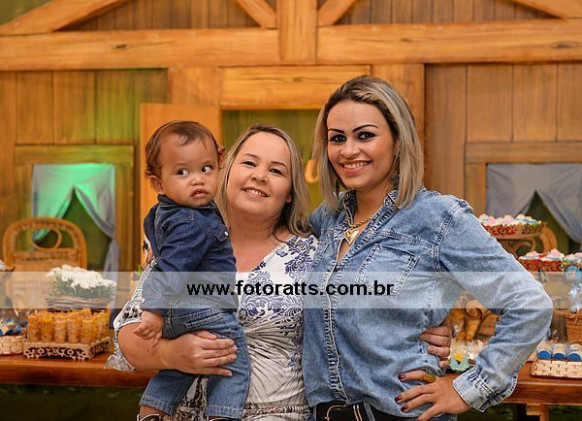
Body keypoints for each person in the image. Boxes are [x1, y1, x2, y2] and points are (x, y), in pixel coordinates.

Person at [110, 123, 452, 421]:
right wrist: (171, 354)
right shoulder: (184, 238)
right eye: (249, 163)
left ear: (289, 193)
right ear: (226, 171)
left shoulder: (315, 256)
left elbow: (361, 319)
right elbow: (129, 333)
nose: (259, 175)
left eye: (276, 171)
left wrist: (422, 329)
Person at [303, 75, 554, 421]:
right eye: (337, 138)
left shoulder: (438, 218)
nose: (348, 150)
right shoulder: (327, 219)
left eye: (365, 135)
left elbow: (529, 304)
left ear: (398, 141)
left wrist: (467, 388)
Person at [131, 120, 250, 421]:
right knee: (232, 359)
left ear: (219, 165)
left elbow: (161, 251)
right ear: (159, 183)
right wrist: (153, 311)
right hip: (204, 308)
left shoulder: (160, 213)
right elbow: (171, 269)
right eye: (183, 172)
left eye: (206, 169)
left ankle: (152, 411)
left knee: (177, 368)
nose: (197, 180)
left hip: (177, 316)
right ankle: (222, 415)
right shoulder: (195, 222)